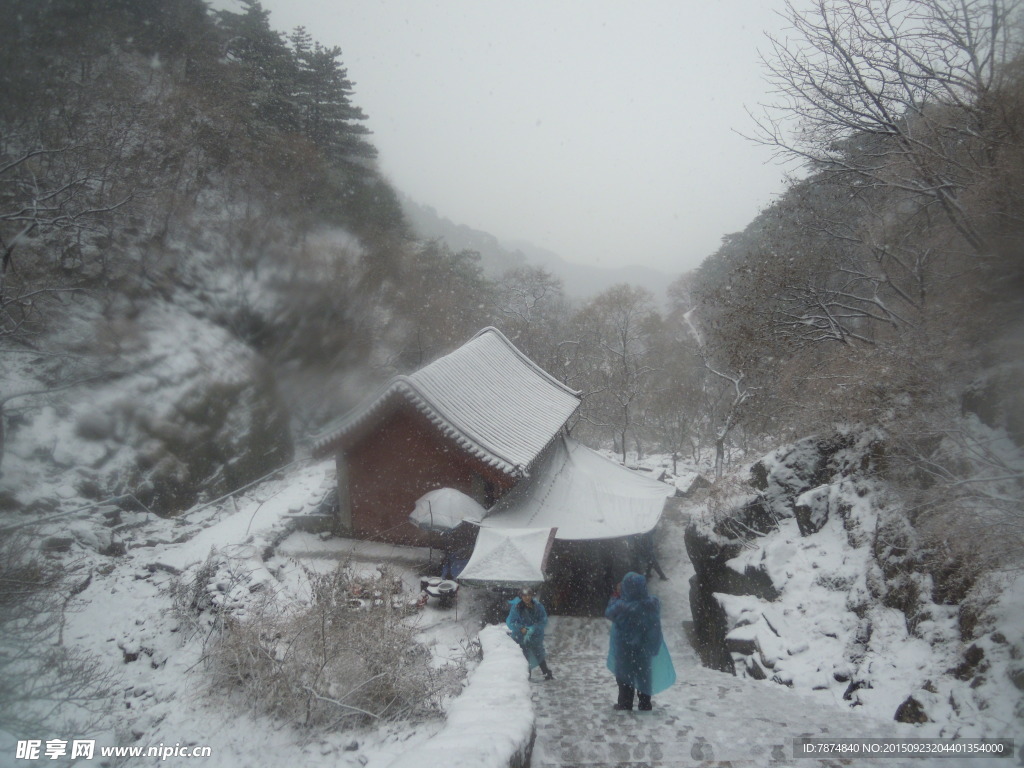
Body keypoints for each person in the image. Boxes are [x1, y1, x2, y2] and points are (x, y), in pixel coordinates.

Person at [605, 571, 675, 711]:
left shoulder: (621, 606)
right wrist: (653, 646)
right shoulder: (651, 605)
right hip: (644, 649)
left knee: (625, 677)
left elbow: (609, 613)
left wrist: (616, 596)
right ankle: (645, 703)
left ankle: (625, 703)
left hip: (625, 650)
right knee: (644, 676)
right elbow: (655, 627)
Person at [506, 587, 554, 680]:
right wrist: (521, 628)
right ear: (521, 596)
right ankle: (527, 676)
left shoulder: (538, 606)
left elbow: (543, 620)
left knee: (539, 653)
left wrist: (533, 628)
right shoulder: (517, 607)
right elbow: (511, 622)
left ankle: (546, 673)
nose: (527, 597)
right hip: (521, 637)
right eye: (524, 595)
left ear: (532, 595)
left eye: (529, 595)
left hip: (535, 636)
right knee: (524, 656)